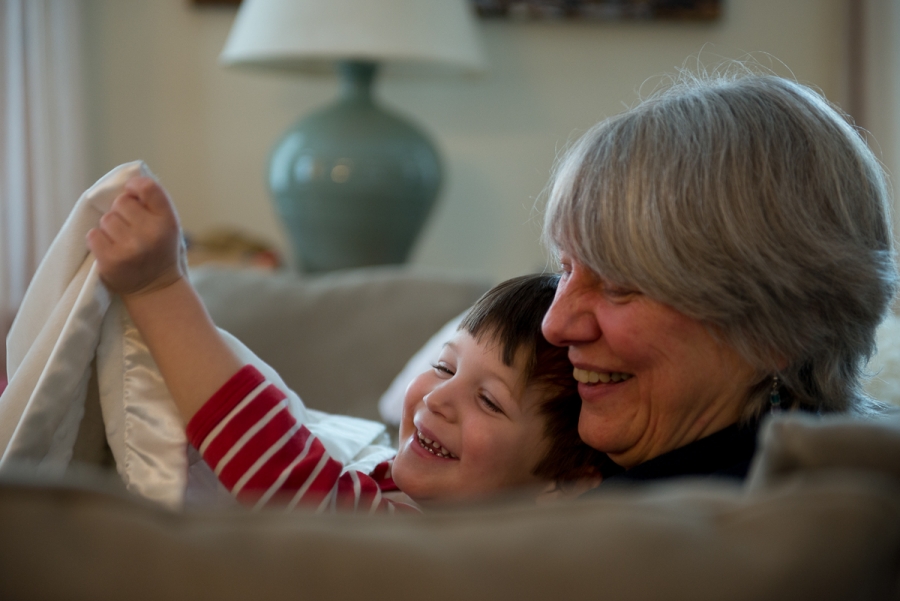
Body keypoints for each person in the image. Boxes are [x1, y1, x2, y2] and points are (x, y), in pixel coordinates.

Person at [86, 183, 610, 511]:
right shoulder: (394, 487)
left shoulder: (438, 550)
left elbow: (284, 478)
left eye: (490, 400)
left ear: (563, 484)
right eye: (444, 367)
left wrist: (158, 291)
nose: (436, 400)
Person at [540, 69, 898, 483]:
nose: (555, 324)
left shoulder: (657, 534)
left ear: (780, 324)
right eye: (566, 270)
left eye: (618, 284)